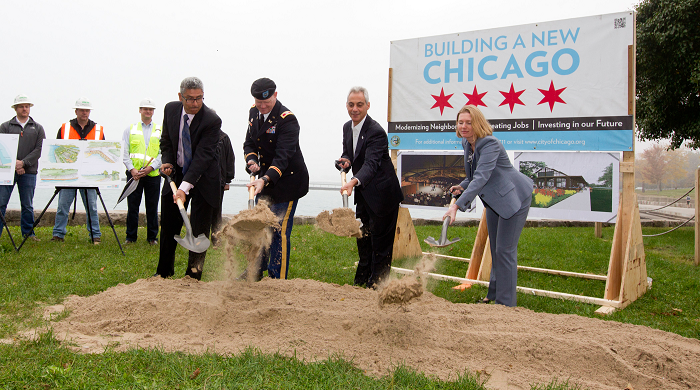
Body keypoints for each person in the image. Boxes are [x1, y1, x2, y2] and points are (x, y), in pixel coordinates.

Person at [443, 105, 533, 307]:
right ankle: (492, 295)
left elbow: (483, 176)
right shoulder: (468, 144)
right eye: (461, 122)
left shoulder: (489, 143)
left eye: (469, 122)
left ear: (478, 123)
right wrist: (462, 186)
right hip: (494, 201)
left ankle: (505, 304)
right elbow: (474, 176)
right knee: (495, 247)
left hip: (514, 198)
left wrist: (457, 205)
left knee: (505, 250)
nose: (464, 126)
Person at [337, 86, 404, 289]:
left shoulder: (376, 131)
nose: (354, 109)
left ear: (367, 105)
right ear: (346, 106)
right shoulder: (347, 127)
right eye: (351, 104)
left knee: (381, 244)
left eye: (359, 104)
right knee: (363, 239)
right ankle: (362, 280)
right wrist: (345, 161)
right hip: (364, 195)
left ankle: (377, 285)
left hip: (384, 196)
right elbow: (350, 154)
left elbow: (371, 164)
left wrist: (354, 181)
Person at [155, 77, 221, 280]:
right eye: (190, 99)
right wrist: (167, 161)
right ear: (180, 96)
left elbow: (202, 158)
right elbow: (166, 141)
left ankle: (193, 276)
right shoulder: (171, 110)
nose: (195, 104)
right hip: (176, 174)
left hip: (204, 178)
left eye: (199, 98)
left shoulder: (211, 120)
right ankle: (163, 273)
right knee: (168, 225)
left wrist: (184, 189)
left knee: (199, 230)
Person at [244, 77, 309, 280]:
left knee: (278, 231)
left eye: (267, 102)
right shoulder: (253, 113)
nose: (262, 106)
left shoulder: (287, 119)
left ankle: (276, 278)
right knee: (260, 228)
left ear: (276, 96)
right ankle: (255, 271)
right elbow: (249, 143)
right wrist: (252, 161)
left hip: (287, 183)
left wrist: (264, 179)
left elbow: (283, 157)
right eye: (258, 102)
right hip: (263, 182)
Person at [51, 98, 105, 244]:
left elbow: (103, 152)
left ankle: (95, 235)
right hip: (69, 174)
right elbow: (56, 151)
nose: (84, 113)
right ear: (76, 111)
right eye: (82, 110)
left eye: (87, 110)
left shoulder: (98, 129)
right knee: (63, 205)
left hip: (89, 175)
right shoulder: (64, 128)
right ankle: (58, 234)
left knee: (92, 207)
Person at [0, 94, 46, 241]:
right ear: (15, 108)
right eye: (21, 106)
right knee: (1, 203)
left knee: (27, 205)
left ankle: (28, 234)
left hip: (29, 171)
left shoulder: (38, 128)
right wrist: (14, 163)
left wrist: (24, 163)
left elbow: (39, 149)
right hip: (8, 171)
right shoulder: (5, 127)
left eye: (27, 106)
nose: (24, 109)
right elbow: (2, 147)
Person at [121, 98, 162, 245]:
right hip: (134, 175)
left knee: (152, 208)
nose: (148, 111)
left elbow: (162, 153)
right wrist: (132, 170)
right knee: (133, 207)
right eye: (145, 109)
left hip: (152, 175)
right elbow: (124, 152)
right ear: (140, 110)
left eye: (151, 109)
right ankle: (130, 237)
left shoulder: (160, 130)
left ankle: (152, 238)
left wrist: (151, 167)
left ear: (153, 112)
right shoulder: (130, 129)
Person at [212, 129, 235, 240]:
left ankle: (216, 237)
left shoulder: (224, 138)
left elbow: (230, 158)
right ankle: (199, 236)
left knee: (216, 211)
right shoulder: (200, 134)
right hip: (200, 181)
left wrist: (228, 180)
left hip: (219, 181)